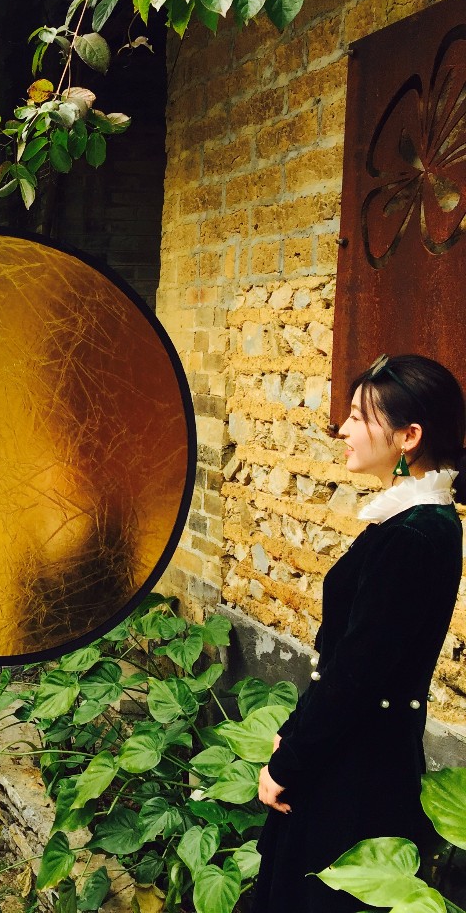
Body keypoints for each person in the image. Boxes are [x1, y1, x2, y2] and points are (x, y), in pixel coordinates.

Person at [255, 353, 466, 913]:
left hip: (358, 771)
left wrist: (288, 762)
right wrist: (293, 730)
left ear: (408, 436)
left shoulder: (417, 536)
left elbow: (356, 673)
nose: (343, 429)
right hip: (351, 752)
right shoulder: (412, 523)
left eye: (358, 416)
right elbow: (351, 657)